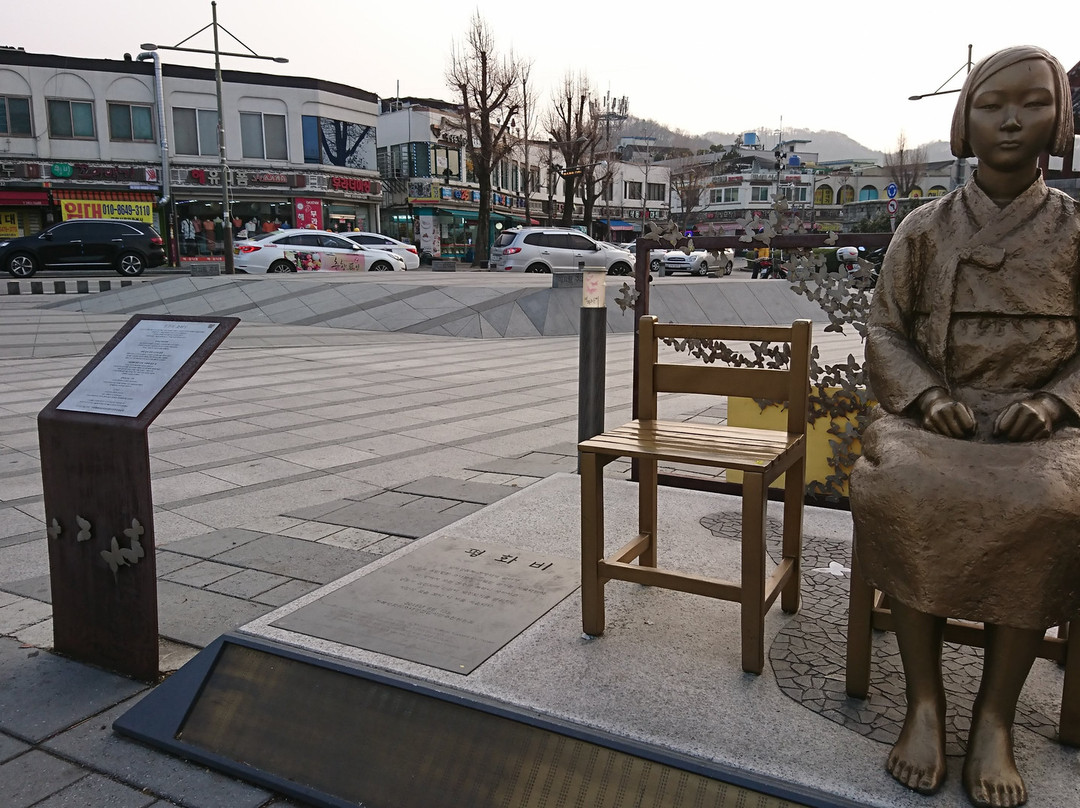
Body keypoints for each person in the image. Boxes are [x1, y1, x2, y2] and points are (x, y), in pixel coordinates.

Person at [850, 46, 1078, 808]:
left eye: (1033, 102)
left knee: (1046, 508)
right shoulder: (924, 228)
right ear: (964, 120)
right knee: (904, 488)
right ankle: (925, 701)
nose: (1012, 120)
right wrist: (919, 396)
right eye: (991, 104)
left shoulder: (1076, 230)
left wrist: (1053, 403)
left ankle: (995, 718)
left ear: (1061, 118)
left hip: (1044, 430)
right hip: (937, 418)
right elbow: (885, 330)